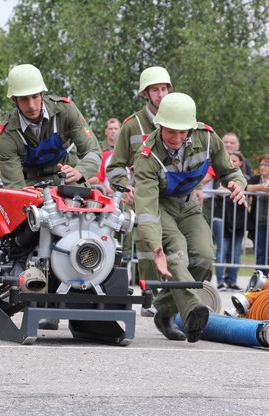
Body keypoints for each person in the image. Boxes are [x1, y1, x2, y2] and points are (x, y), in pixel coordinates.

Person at [133, 92, 247, 343]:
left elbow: (229, 171)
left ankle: (164, 311)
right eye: (170, 131)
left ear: (191, 128)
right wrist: (155, 246)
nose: (176, 138)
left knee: (204, 257)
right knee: (177, 252)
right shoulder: (147, 157)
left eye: (182, 132)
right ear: (160, 125)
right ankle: (194, 310)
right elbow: (147, 210)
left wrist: (237, 183)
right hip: (160, 206)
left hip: (188, 204)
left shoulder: (207, 138)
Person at [106, 66, 173, 316]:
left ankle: (173, 296)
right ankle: (151, 297)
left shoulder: (178, 120)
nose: (161, 94)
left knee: (175, 245)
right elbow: (114, 165)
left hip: (172, 195)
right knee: (147, 246)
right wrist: (125, 188)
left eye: (164, 89)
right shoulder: (132, 125)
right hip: (143, 196)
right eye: (155, 90)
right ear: (146, 93)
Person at [0, 64, 101, 188]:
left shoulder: (66, 111)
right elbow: (15, 186)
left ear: (42, 94)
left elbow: (93, 151)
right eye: (24, 99)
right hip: (31, 187)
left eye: (35, 96)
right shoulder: (7, 133)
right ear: (14, 99)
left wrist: (81, 171)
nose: (31, 105)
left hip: (69, 180)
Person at [214, 151, 247, 290]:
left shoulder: (245, 178)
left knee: (235, 252)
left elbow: (248, 186)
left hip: (238, 219)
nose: (232, 162)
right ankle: (220, 281)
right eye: (230, 160)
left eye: (235, 160)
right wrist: (233, 189)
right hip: (222, 218)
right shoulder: (221, 177)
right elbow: (220, 190)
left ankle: (232, 281)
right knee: (222, 249)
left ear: (240, 163)